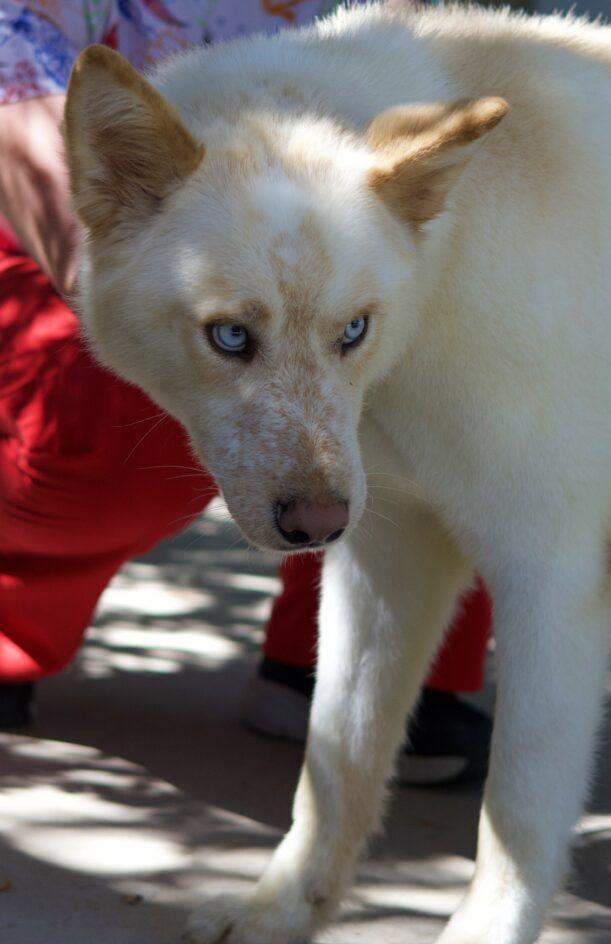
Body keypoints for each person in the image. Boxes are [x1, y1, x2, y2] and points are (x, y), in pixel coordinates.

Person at [0, 0, 493, 785]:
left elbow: (416, 49)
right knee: (103, 409)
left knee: (449, 357)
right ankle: (12, 622)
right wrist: (128, 258)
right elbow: (20, 108)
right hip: (82, 212)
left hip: (319, 209)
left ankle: (345, 662)